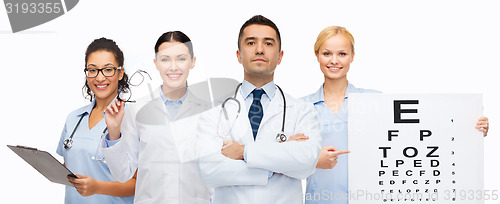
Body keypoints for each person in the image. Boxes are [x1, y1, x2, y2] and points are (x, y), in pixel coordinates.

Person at [301, 26, 490, 204]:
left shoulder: (374, 101)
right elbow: (288, 159)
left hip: (371, 198)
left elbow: (415, 134)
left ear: (352, 56)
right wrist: (313, 161)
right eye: (327, 53)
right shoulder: (301, 107)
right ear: (316, 55)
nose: (334, 60)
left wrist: (468, 128)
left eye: (342, 54)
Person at [196, 15, 322, 204]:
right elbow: (210, 172)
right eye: (251, 42)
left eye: (268, 43)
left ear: (280, 57)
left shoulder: (303, 111)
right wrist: (280, 156)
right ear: (239, 55)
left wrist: (244, 152)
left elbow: (306, 162)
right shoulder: (214, 113)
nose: (260, 49)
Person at [103, 31, 212, 203]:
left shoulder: (209, 113)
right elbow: (122, 173)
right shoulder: (137, 110)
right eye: (165, 59)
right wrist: (114, 132)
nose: (173, 67)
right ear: (156, 63)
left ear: (193, 62)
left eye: (181, 59)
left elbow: (215, 176)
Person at [56, 38, 135, 204]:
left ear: (120, 73)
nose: (99, 78)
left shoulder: (133, 118)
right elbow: (71, 164)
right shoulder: (73, 118)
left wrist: (97, 187)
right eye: (92, 70)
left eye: (108, 70)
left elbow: (138, 182)